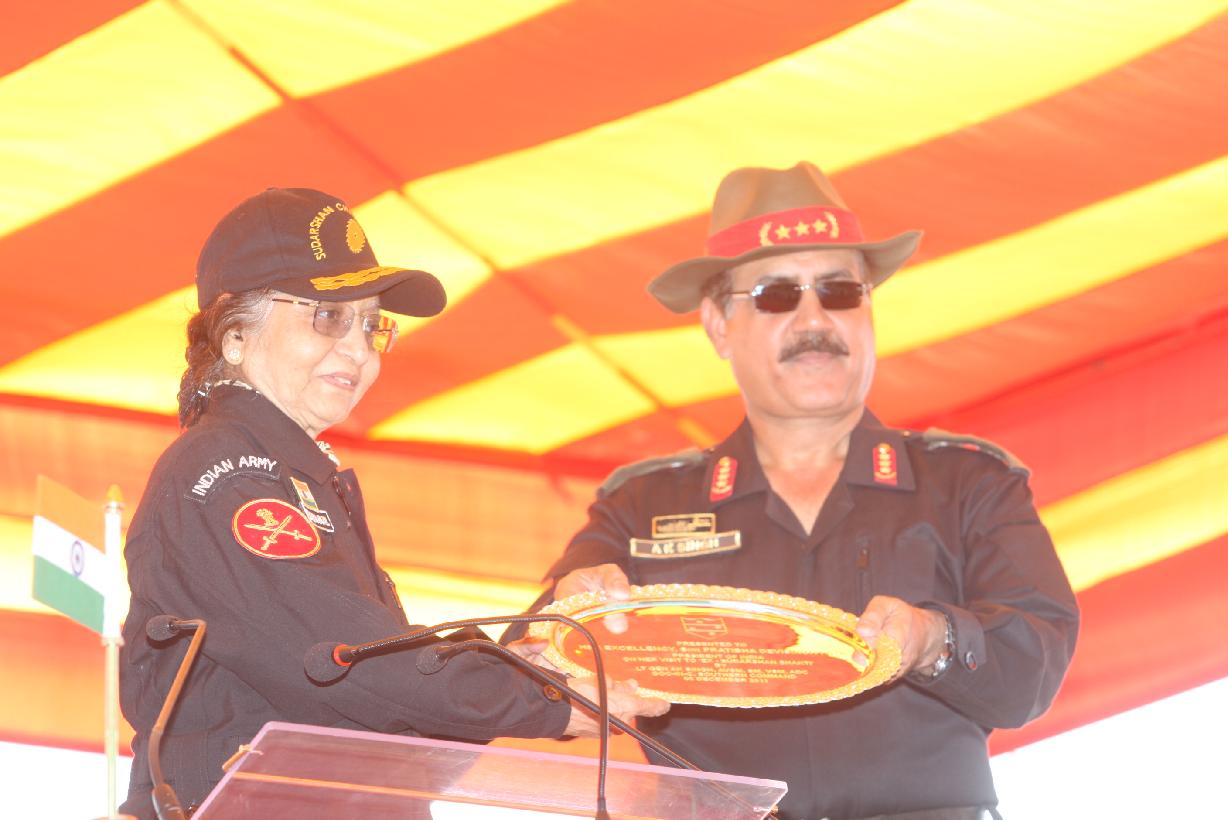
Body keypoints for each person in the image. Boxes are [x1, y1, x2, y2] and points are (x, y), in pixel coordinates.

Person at [510, 163, 1079, 819]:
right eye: (777, 295)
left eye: (840, 291)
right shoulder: (642, 505)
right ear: (718, 325)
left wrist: (933, 639)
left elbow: (1035, 673)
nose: (815, 318)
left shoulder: (969, 482)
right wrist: (569, 624)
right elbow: (520, 671)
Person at [118, 188, 668, 818]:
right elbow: (347, 665)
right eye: (328, 317)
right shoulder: (225, 471)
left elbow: (396, 715)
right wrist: (549, 699)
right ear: (235, 334)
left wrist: (536, 650)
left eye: (371, 324)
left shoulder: (294, 477)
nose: (360, 349)